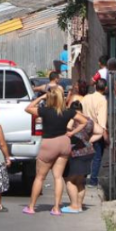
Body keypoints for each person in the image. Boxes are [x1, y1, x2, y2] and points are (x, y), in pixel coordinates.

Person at [23, 87, 86, 215]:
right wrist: (72, 132)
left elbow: (28, 108)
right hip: (64, 142)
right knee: (58, 177)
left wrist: (41, 97)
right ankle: (56, 208)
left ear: (50, 98)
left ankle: (31, 206)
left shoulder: (45, 111)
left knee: (40, 177)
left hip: (49, 143)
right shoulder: (68, 112)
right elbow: (84, 121)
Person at [63, 100, 95, 213]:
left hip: (76, 152)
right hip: (88, 152)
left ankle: (74, 206)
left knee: (70, 180)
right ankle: (79, 205)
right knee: (80, 181)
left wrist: (71, 118)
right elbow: (98, 131)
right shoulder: (89, 120)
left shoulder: (73, 119)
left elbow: (67, 128)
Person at [84, 78, 109, 187]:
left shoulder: (86, 98)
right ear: (106, 88)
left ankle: (82, 178)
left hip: (85, 130)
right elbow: (102, 122)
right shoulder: (102, 100)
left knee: (85, 156)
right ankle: (93, 180)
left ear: (95, 87)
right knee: (97, 157)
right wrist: (106, 138)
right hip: (96, 132)